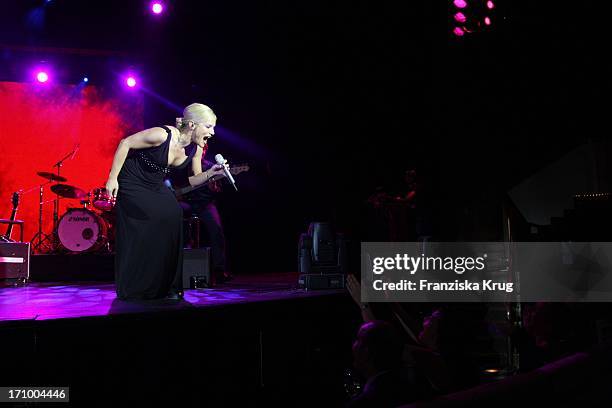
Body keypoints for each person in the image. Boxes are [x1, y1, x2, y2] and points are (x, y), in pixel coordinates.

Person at [105, 103, 227, 300]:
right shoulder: (163, 135)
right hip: (132, 180)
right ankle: (138, 283)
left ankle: (165, 285)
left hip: (155, 184)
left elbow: (194, 179)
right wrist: (112, 178)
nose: (212, 132)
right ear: (193, 125)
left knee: (174, 213)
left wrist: (213, 174)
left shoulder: (196, 148)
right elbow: (125, 143)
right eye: (209, 126)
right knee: (154, 216)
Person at [178, 158, 231, 283]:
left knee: (216, 230)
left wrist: (214, 185)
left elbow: (217, 189)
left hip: (204, 203)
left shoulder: (210, 165)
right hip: (184, 201)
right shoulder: (181, 161)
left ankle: (219, 270)